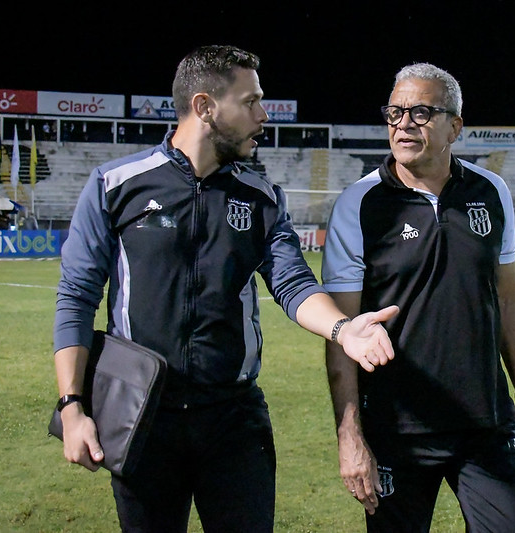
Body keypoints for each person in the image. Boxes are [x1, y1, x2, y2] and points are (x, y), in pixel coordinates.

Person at [52, 44, 399, 533]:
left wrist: (343, 330)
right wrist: (72, 407)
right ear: (205, 107)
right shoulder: (115, 185)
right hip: (143, 417)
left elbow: (292, 283)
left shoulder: (260, 198)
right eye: (251, 102)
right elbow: (76, 296)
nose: (263, 116)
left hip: (234, 422)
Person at [322, 62, 515, 532]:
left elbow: (509, 300)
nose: (403, 124)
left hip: (487, 426)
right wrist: (350, 435)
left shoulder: (491, 191)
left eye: (421, 112)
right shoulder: (359, 204)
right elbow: (342, 331)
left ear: (455, 126)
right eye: (395, 112)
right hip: (398, 431)